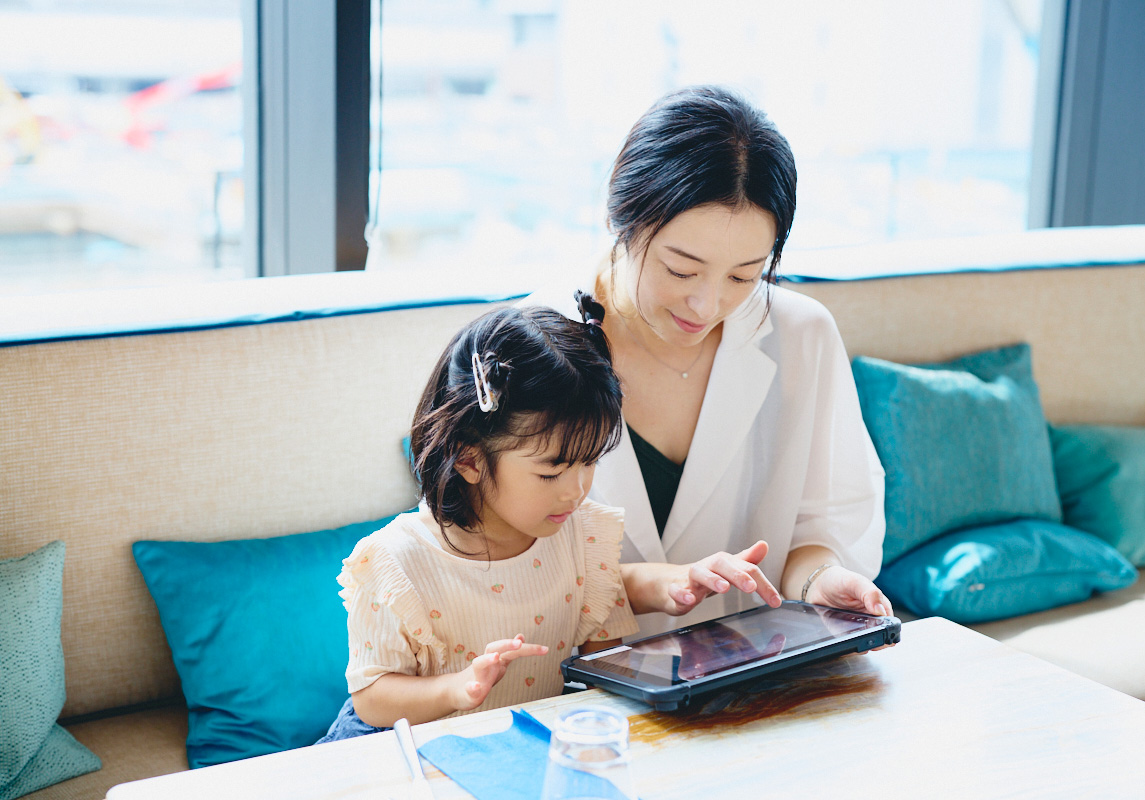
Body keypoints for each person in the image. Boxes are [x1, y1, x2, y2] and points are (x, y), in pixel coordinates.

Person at [317, 294, 781, 741]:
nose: (577, 489)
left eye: (590, 461)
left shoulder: (575, 532)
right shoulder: (394, 562)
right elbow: (371, 699)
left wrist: (678, 583)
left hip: (519, 748)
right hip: (402, 752)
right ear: (469, 460)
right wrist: (458, 689)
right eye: (552, 471)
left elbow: (599, 617)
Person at [526, 85, 893, 638]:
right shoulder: (531, 346)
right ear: (618, 218)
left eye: (745, 275)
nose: (708, 305)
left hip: (747, 677)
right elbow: (491, 565)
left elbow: (826, 522)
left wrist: (820, 579)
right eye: (680, 269)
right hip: (570, 690)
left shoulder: (802, 335)